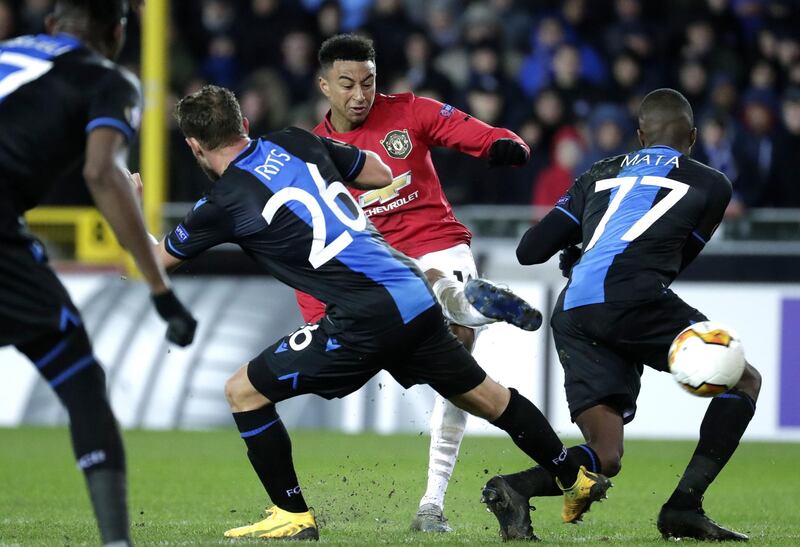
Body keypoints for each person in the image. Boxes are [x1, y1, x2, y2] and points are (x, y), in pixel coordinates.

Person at [154, 84, 610, 541]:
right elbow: (376, 172)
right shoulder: (296, 140)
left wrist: (129, 208)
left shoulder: (221, 204)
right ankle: (574, 478)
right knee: (488, 398)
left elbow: (152, 264)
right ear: (244, 125)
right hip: (411, 292)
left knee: (242, 392)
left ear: (193, 144)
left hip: (362, 318)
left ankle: (291, 514)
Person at [482, 88, 761, 541]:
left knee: (605, 454)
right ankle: (683, 508)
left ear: (638, 135)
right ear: (691, 137)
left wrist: (579, 246)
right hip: (633, 299)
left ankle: (515, 488)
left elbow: (530, 251)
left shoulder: (597, 174)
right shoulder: (714, 184)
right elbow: (673, 260)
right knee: (745, 379)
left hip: (573, 311)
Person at [296, 33, 539, 533]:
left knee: (458, 350)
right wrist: (316, 317)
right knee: (452, 369)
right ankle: (467, 305)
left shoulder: (410, 111)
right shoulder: (314, 158)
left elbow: (473, 132)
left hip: (439, 245)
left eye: (369, 82)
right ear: (324, 86)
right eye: (347, 84)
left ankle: (431, 504)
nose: (360, 94)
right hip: (377, 269)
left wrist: (504, 145)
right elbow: (309, 243)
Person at [0, 1, 197, 546]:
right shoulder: (106, 80)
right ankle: (116, 543)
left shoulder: (7, 55)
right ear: (116, 33)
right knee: (79, 374)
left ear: (49, 27)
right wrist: (159, 289)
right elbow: (102, 172)